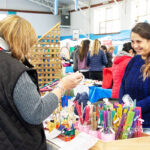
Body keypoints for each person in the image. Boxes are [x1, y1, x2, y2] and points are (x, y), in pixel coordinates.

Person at [0, 15, 83, 150]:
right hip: (20, 143)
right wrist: (62, 87)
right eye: (28, 46)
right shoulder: (15, 70)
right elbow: (36, 112)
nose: (28, 51)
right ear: (21, 42)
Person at [119, 22, 150, 128]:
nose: (135, 46)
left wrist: (135, 108)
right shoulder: (134, 60)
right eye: (132, 42)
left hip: (147, 124)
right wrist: (122, 106)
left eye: (139, 41)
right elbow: (123, 84)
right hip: (130, 121)